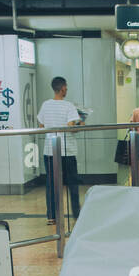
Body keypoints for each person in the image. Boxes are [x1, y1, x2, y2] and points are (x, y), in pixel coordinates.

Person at [38, 75, 83, 225]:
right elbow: (71, 128)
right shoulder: (69, 106)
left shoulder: (45, 105)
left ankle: (51, 216)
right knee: (72, 183)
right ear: (63, 88)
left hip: (50, 151)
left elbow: (41, 127)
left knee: (51, 184)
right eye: (66, 87)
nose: (67, 90)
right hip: (67, 151)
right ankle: (76, 213)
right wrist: (80, 124)